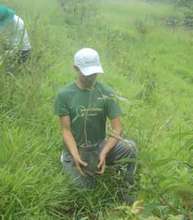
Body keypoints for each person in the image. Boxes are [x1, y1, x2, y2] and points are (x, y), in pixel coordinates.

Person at [54, 48, 137, 201]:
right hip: (77, 149)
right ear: (76, 68)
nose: (91, 76)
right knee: (87, 191)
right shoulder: (64, 95)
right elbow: (66, 131)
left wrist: (104, 152)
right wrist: (75, 154)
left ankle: (127, 189)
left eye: (94, 72)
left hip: (99, 146)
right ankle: (68, 160)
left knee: (130, 148)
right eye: (87, 73)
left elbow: (117, 128)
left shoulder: (106, 93)